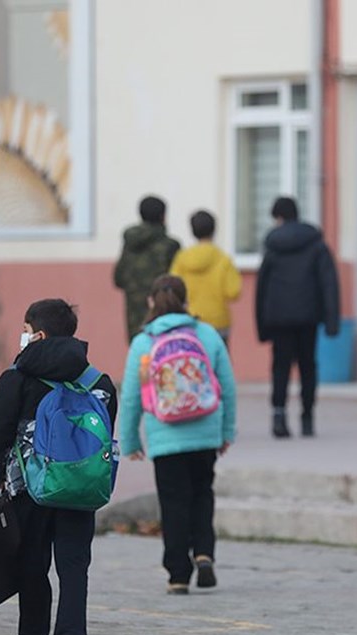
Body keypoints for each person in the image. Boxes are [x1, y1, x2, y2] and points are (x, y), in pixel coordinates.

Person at [0, 298, 118, 635]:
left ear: (37, 334)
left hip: (32, 487)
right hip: (81, 487)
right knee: (74, 563)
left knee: (33, 560)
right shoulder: (99, 383)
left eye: (25, 331)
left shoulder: (17, 378)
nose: (22, 338)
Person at [120, 275, 237, 594]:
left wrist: (130, 440)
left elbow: (133, 395)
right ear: (186, 302)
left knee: (173, 503)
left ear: (150, 302)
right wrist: (227, 431)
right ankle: (204, 553)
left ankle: (178, 574)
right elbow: (227, 387)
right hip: (205, 432)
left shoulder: (144, 343)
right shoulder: (207, 334)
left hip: (165, 436)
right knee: (202, 494)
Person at [255, 196, 340, 439]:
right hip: (308, 316)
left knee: (280, 366)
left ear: (278, 217)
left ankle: (279, 415)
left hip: (279, 317)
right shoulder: (316, 245)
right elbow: (328, 283)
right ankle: (307, 417)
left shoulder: (272, 248)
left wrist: (262, 325)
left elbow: (262, 288)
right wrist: (332, 320)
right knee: (308, 365)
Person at [169, 210, 242, 345]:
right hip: (218, 321)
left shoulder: (182, 258)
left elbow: (172, 287)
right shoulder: (223, 259)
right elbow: (233, 292)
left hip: (189, 320)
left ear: (192, 231)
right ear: (214, 230)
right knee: (218, 363)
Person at [113, 195, 181, 340]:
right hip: (164, 316)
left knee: (139, 358)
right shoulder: (171, 246)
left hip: (134, 320)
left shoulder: (130, 243)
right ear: (163, 216)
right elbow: (178, 283)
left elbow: (118, 279)